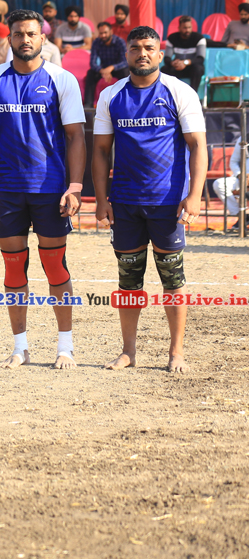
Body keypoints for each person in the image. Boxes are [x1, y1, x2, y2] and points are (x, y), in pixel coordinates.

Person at [0, 9, 86, 370]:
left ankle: (65, 347)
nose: (25, 40)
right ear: (9, 39)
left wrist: (75, 186)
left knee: (55, 266)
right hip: (7, 189)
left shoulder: (62, 79)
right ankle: (21, 348)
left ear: (43, 39)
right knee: (14, 269)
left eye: (32, 34)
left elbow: (75, 136)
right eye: (18, 34)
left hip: (50, 189)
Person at [92, 25, 207, 373]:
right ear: (126, 54)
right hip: (125, 202)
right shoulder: (110, 95)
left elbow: (197, 145)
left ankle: (176, 353)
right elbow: (101, 151)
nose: (142, 53)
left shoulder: (179, 91)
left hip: (168, 203)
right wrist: (101, 199)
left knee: (172, 278)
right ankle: (128, 352)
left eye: (148, 47)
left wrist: (194, 196)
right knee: (128, 280)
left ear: (160, 53)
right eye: (135, 48)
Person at [84, 21, 129, 106]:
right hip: (103, 69)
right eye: (101, 33)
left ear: (111, 32)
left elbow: (125, 61)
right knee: (90, 73)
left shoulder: (120, 42)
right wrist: (102, 71)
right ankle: (88, 104)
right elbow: (92, 62)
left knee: (126, 72)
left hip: (118, 69)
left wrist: (111, 68)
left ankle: (126, 101)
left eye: (105, 33)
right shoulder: (96, 42)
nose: (103, 35)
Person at [160, 15, 206, 92]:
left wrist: (185, 62)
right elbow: (167, 58)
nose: (187, 30)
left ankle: (193, 94)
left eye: (189, 27)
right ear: (179, 28)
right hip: (177, 67)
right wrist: (173, 63)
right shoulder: (172, 38)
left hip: (192, 67)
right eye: (185, 28)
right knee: (164, 69)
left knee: (198, 69)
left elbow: (200, 59)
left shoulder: (199, 38)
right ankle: (169, 94)